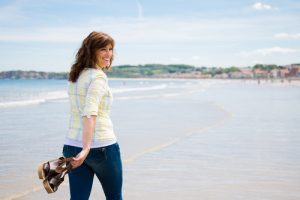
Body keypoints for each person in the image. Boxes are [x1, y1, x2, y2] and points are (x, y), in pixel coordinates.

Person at [62, 31, 123, 200]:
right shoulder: (98, 77)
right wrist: (86, 148)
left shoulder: (75, 75)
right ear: (91, 51)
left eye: (110, 49)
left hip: (71, 146)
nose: (109, 54)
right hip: (100, 146)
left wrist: (81, 149)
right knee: (114, 196)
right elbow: (90, 112)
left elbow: (79, 110)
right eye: (103, 49)